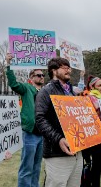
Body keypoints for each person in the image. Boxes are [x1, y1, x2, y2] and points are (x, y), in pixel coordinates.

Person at [35, 57, 82, 187]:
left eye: (69, 68)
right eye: (65, 67)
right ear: (54, 71)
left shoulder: (73, 92)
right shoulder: (45, 91)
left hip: (77, 153)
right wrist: (59, 139)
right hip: (56, 154)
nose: (69, 70)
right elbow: (40, 120)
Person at [6, 53, 44, 187]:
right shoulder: (27, 88)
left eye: (43, 75)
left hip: (42, 135)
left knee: (37, 167)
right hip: (30, 134)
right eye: (39, 75)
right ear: (31, 78)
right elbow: (14, 84)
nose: (42, 77)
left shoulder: (45, 91)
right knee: (27, 168)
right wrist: (9, 65)